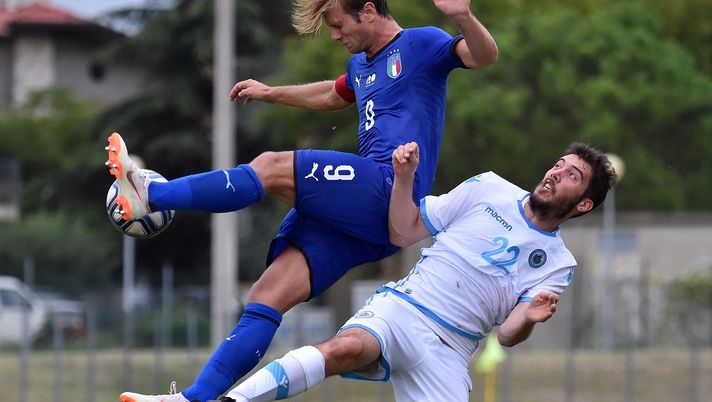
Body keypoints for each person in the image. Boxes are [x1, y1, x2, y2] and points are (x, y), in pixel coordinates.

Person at [115, 1, 497, 402]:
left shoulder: (423, 43)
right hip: (370, 225)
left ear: (368, 11)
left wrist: (463, 16)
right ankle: (195, 399)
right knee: (267, 294)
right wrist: (271, 92)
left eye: (338, 25)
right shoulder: (361, 65)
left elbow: (484, 56)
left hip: (390, 188)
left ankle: (152, 196)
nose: (334, 36)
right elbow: (333, 95)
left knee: (271, 167)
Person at [217, 141, 617, 402]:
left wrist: (528, 318)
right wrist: (404, 177)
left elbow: (509, 335)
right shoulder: (489, 187)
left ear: (582, 205)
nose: (554, 173)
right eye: (559, 164)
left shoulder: (559, 264)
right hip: (405, 308)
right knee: (348, 348)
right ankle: (232, 400)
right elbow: (404, 229)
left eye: (571, 176)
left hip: (452, 350)